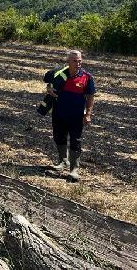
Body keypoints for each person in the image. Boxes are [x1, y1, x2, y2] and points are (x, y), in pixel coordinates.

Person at [45, 50, 95, 181]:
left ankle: (74, 169)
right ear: (67, 62)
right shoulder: (58, 74)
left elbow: (90, 96)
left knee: (75, 140)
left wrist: (88, 113)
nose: (78, 63)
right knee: (58, 136)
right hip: (59, 112)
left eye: (80, 61)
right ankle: (63, 161)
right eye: (75, 61)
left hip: (76, 115)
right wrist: (49, 89)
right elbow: (49, 83)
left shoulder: (87, 77)